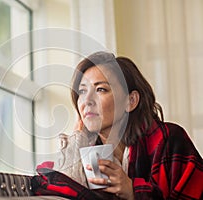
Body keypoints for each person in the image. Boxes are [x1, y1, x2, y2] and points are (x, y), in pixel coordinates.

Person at [33, 51, 203, 200]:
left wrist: (133, 191)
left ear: (131, 101)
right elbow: (56, 190)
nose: (87, 101)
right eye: (82, 91)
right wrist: (77, 141)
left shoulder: (170, 139)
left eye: (101, 89)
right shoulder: (86, 149)